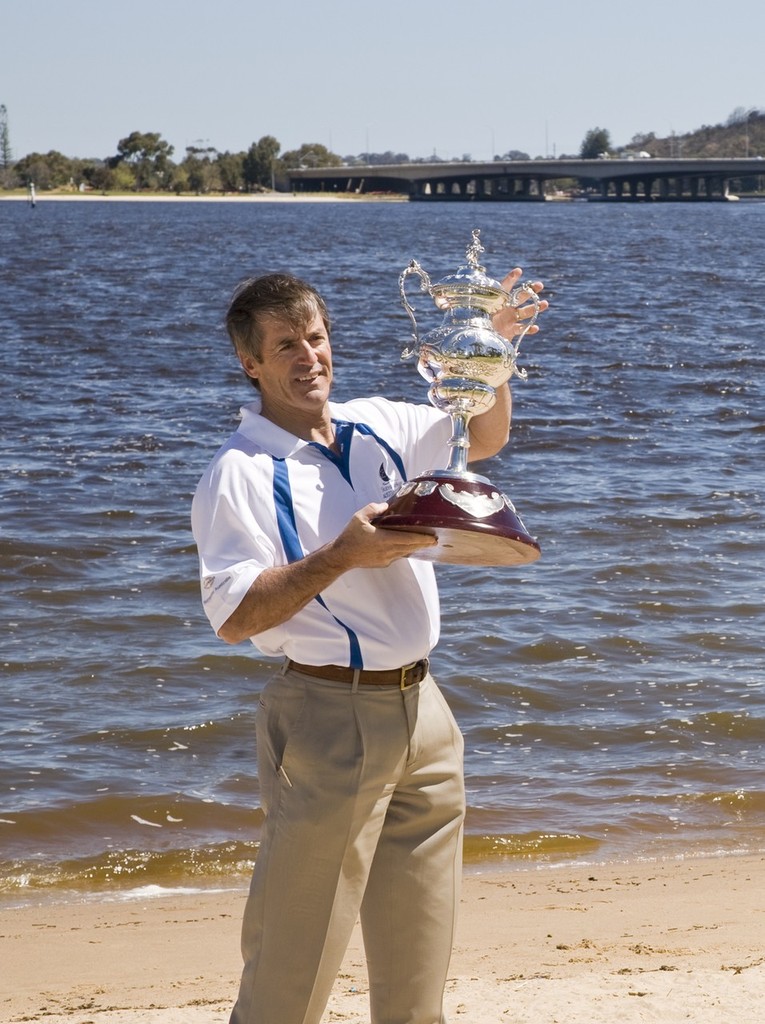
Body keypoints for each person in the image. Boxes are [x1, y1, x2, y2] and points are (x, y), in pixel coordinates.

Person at [191, 265, 546, 1024]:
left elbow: (480, 433)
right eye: (284, 345)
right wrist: (341, 555)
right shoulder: (239, 473)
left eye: (315, 337)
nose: (306, 356)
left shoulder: (379, 424)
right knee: (292, 969)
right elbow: (234, 617)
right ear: (249, 364)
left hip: (425, 710)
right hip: (328, 715)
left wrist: (489, 358)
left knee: (419, 965)